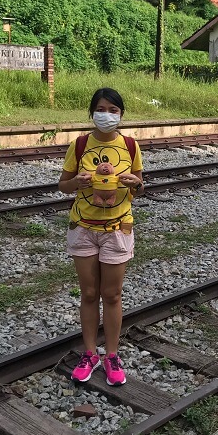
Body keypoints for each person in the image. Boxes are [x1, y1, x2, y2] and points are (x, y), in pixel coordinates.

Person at [57, 87, 144, 385]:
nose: (107, 115)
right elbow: (63, 185)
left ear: (121, 115)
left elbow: (139, 187)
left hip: (118, 229)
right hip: (83, 228)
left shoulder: (131, 145)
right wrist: (77, 182)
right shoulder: (79, 145)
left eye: (113, 110)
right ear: (92, 112)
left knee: (113, 294)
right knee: (90, 293)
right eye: (101, 109)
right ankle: (90, 353)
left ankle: (112, 355)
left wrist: (136, 183)